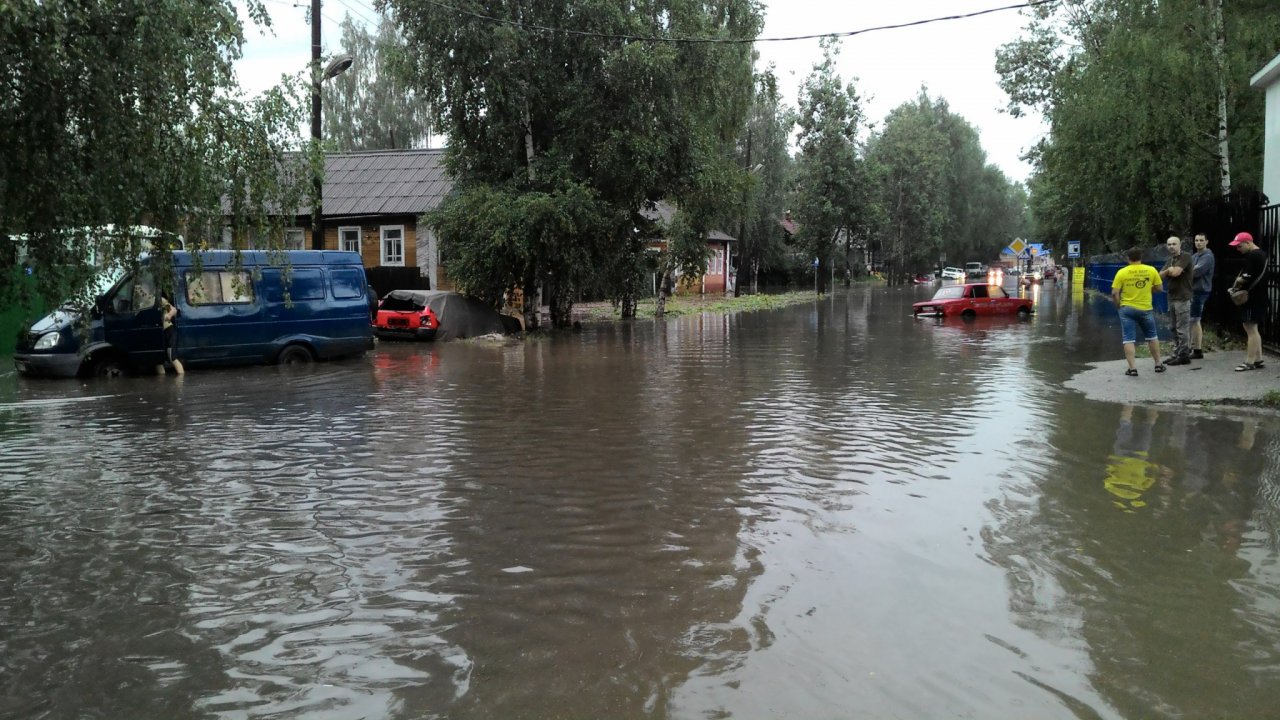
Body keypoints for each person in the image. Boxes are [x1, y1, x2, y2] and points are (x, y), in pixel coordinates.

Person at [1112, 246, 1165, 376]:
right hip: (1145, 308)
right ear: (1141, 257)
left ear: (1127, 258)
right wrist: (1147, 290)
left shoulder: (1122, 272)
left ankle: (1132, 368)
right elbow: (1159, 288)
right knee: (1152, 336)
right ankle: (1158, 364)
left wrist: (1118, 305)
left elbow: (1114, 293)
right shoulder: (1151, 270)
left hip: (1127, 309)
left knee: (1128, 339)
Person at [1229, 231, 1268, 371]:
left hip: (1252, 297)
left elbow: (1244, 277)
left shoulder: (1253, 256)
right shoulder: (1262, 254)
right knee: (1253, 328)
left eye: (1239, 246)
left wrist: (1237, 283)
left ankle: (1249, 361)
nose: (1238, 249)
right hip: (1260, 296)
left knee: (1250, 328)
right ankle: (1258, 359)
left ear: (1248, 243)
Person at [1158, 235, 1193, 365]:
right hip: (1171, 297)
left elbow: (1176, 273)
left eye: (1174, 244)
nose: (1171, 246)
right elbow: (1159, 276)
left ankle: (1184, 355)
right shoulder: (1170, 260)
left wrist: (1170, 272)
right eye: (1169, 244)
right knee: (1173, 327)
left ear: (1180, 245)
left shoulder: (1185, 257)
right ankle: (1177, 352)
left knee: (1182, 328)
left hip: (1183, 297)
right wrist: (1168, 270)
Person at [1189, 233, 1214, 359]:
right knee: (1192, 319)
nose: (1198, 242)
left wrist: (1183, 272)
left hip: (1200, 290)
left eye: (1201, 240)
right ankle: (1191, 346)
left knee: (1195, 319)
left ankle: (1197, 350)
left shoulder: (1207, 256)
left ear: (1206, 242)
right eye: (1196, 240)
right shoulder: (1194, 256)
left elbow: (1195, 271)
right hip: (1194, 290)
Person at [157, 292, 184, 376]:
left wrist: (168, 315)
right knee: (157, 360)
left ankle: (181, 381)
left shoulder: (160, 300)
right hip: (157, 332)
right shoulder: (142, 303)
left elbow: (174, 310)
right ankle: (161, 384)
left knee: (172, 357)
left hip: (169, 331)